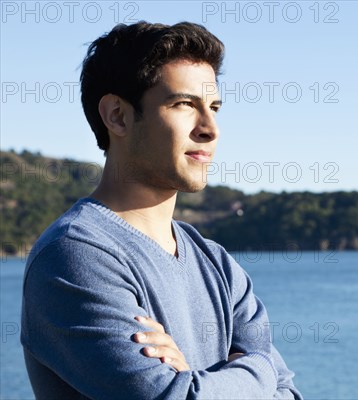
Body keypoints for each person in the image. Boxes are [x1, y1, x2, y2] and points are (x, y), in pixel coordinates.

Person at [20, 21, 302, 399]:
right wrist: (259, 371)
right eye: (184, 104)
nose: (210, 128)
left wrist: (197, 381)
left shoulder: (216, 264)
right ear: (118, 116)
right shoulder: (73, 257)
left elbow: (290, 394)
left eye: (214, 107)